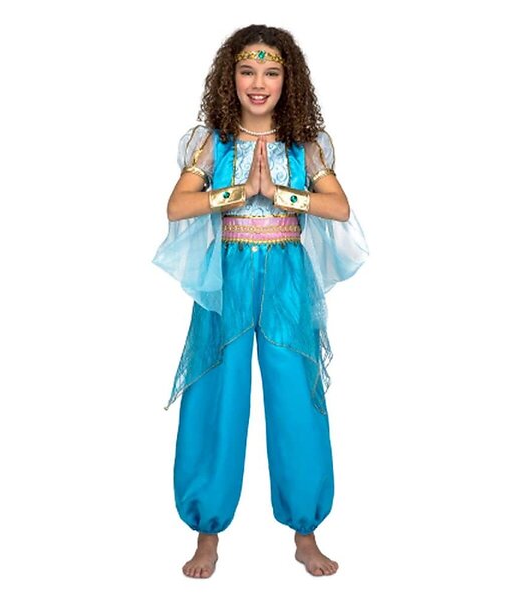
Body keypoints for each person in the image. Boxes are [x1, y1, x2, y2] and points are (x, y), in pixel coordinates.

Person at [152, 24, 369, 578]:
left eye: (271, 72)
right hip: (226, 276)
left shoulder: (307, 144)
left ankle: (305, 531)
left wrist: (279, 195)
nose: (258, 83)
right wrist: (238, 193)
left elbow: (339, 208)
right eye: (248, 71)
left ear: (287, 81)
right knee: (216, 392)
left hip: (287, 278)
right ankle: (206, 532)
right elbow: (177, 206)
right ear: (230, 78)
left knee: (296, 396)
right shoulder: (210, 142)